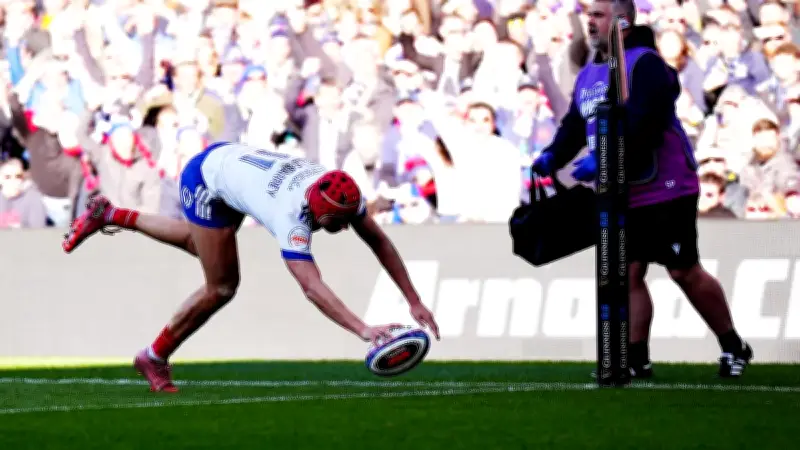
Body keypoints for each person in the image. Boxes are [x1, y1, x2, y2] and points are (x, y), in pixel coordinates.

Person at [62, 141, 441, 393]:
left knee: (203, 246)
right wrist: (363, 328)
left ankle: (110, 214)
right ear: (314, 213)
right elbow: (310, 285)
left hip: (237, 166)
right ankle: (153, 356)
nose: (343, 229)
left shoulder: (338, 189)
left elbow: (377, 239)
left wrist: (413, 299)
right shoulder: (289, 216)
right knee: (222, 285)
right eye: (335, 224)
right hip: (207, 177)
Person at [531, 0, 752, 378]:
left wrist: (601, 159)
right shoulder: (590, 73)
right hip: (621, 189)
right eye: (589, 17)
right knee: (628, 272)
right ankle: (636, 359)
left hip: (665, 184)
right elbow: (573, 124)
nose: (591, 23)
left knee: (683, 271)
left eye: (599, 16)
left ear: (622, 21)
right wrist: (552, 155)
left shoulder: (645, 64)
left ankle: (734, 346)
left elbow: (644, 124)